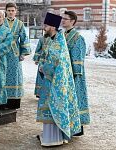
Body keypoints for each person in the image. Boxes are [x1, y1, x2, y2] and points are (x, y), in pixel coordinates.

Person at [36, 12, 81, 146]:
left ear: (53, 26)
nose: (44, 27)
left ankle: (53, 139)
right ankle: (50, 136)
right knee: (50, 107)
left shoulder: (57, 42)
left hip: (55, 82)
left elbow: (54, 62)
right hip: (54, 81)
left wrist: (43, 68)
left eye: (46, 25)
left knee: (52, 107)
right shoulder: (56, 39)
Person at [61, 11, 90, 136]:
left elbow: (78, 58)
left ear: (72, 21)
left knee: (76, 99)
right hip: (63, 74)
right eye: (62, 18)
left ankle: (78, 128)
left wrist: (73, 73)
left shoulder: (78, 37)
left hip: (74, 75)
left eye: (65, 19)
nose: (62, 20)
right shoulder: (62, 35)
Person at [4, 2, 31, 109]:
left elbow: (24, 38)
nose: (10, 12)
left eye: (12, 10)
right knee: (4, 75)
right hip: (4, 52)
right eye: (9, 10)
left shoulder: (20, 23)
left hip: (15, 53)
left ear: (16, 11)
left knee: (15, 76)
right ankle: (3, 101)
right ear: (6, 11)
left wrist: (23, 53)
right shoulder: (2, 22)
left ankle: (14, 102)